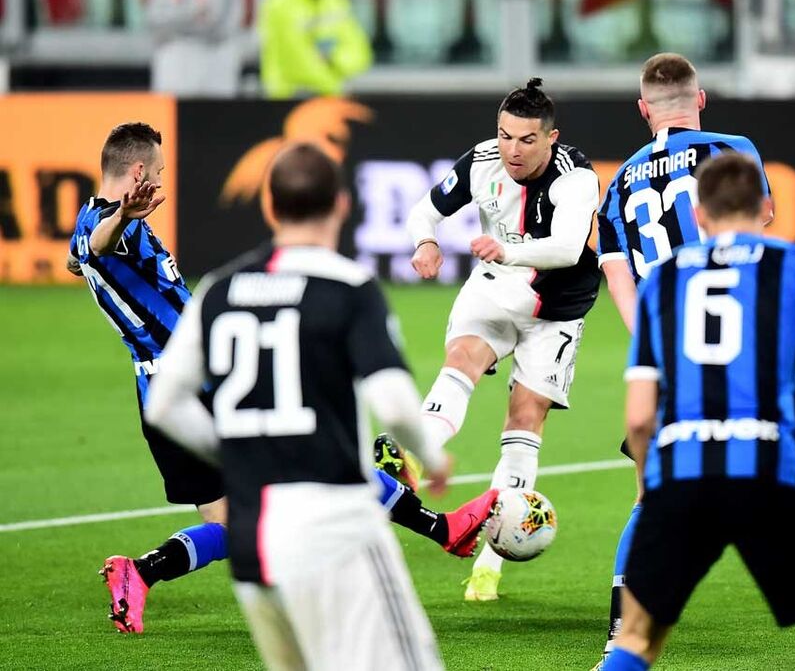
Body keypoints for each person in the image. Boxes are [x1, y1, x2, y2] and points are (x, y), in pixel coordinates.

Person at [68, 123, 493, 635]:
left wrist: (105, 233)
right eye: (156, 171)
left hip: (158, 392)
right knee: (320, 454)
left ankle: (140, 572)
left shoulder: (84, 222)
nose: (160, 180)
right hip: (201, 382)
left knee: (233, 524)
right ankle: (442, 528)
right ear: (137, 172)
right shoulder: (115, 226)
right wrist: (121, 217)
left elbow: (80, 257)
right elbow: (102, 244)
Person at [594, 52, 795, 670]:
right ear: (701, 99)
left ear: (642, 109)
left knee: (639, 619)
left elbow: (618, 281)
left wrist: (659, 350)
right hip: (760, 402)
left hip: (677, 388)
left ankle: (616, 636)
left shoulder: (622, 189)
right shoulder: (740, 160)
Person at [144, 143, 447, 669]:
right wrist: (434, 457)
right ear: (342, 205)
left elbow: (164, 404)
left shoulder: (218, 290)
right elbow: (396, 406)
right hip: (336, 529)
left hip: (254, 541)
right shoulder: (349, 287)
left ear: (269, 206)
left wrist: (236, 454)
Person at [405, 78, 602, 601]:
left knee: (524, 417)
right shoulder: (482, 160)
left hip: (555, 311)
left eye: (526, 140)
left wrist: (507, 250)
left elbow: (566, 248)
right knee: (461, 359)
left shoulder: (576, 177)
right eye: (505, 135)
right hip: (495, 287)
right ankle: (415, 456)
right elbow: (425, 210)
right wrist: (425, 241)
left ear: (550, 138)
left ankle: (490, 562)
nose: (513, 150)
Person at [258, 0, 372, 99]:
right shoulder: (281, 2)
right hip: (289, 98)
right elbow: (296, 62)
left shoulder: (334, 0)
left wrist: (333, 58)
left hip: (330, 96)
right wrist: (334, 83)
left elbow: (360, 54)